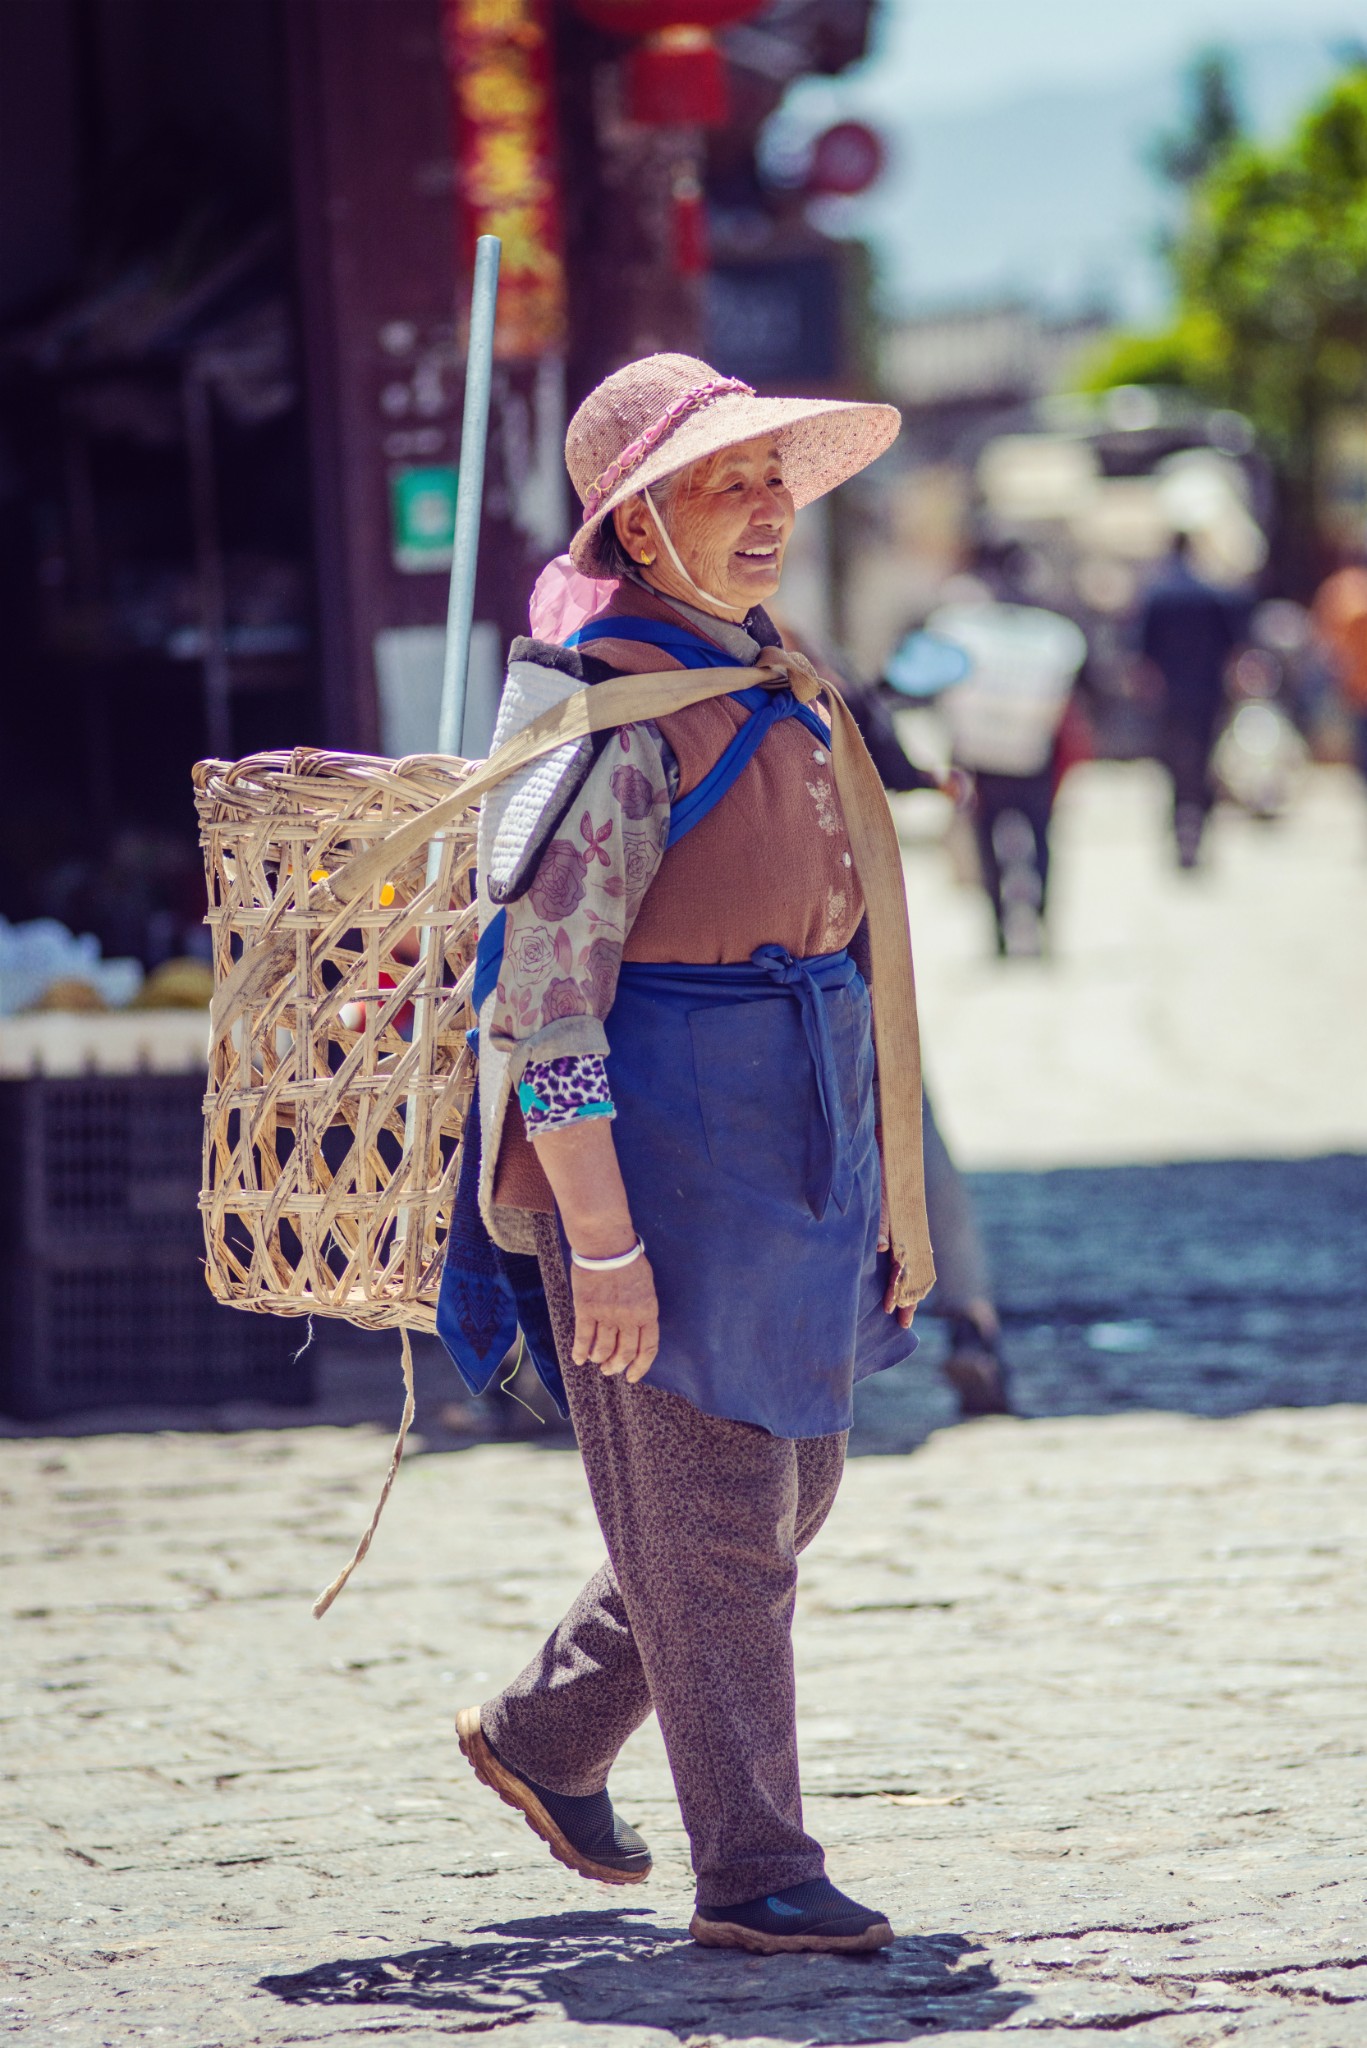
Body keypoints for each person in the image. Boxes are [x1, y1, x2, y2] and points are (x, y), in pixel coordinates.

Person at [438, 353, 936, 1957]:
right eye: (726, 483)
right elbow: (547, 1004)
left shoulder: (766, 674)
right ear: (636, 527)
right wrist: (600, 1244)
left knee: (792, 1482)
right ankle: (756, 1868)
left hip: (786, 1135)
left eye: (774, 478)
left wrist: (878, 1187)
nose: (768, 508)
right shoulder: (605, 717)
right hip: (653, 1156)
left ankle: (546, 1734)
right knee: (720, 1522)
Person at [927, 579, 1086, 956]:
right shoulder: (1050, 634)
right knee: (1041, 840)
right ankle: (1042, 921)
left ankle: (998, 930)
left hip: (983, 761)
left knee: (988, 844)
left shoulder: (967, 631)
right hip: (1033, 757)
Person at [1136, 531, 1244, 867]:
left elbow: (1144, 653)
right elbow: (1234, 648)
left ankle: (1180, 825)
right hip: (1208, 692)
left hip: (1170, 695)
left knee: (1173, 763)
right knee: (1204, 761)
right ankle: (1200, 827)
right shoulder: (1212, 594)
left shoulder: (1158, 594)